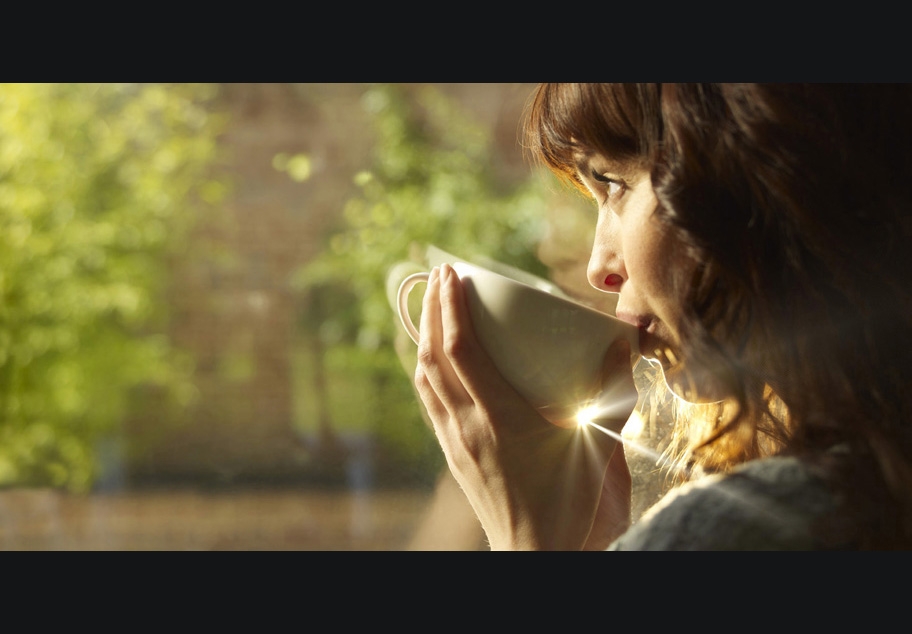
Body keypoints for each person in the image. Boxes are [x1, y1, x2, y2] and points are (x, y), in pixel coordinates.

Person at [409, 83, 912, 550]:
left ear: (747, 171)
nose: (597, 269)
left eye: (612, 183)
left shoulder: (736, 528)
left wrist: (527, 538)